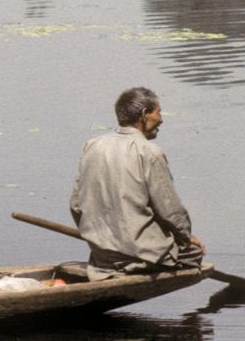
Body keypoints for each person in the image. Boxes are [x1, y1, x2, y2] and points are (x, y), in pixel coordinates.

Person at [70, 86, 205, 281]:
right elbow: (170, 211)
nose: (161, 119)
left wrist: (98, 238)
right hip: (143, 256)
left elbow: (75, 205)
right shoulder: (149, 152)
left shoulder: (92, 145)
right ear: (144, 114)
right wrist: (186, 238)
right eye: (158, 112)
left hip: (103, 258)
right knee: (194, 252)